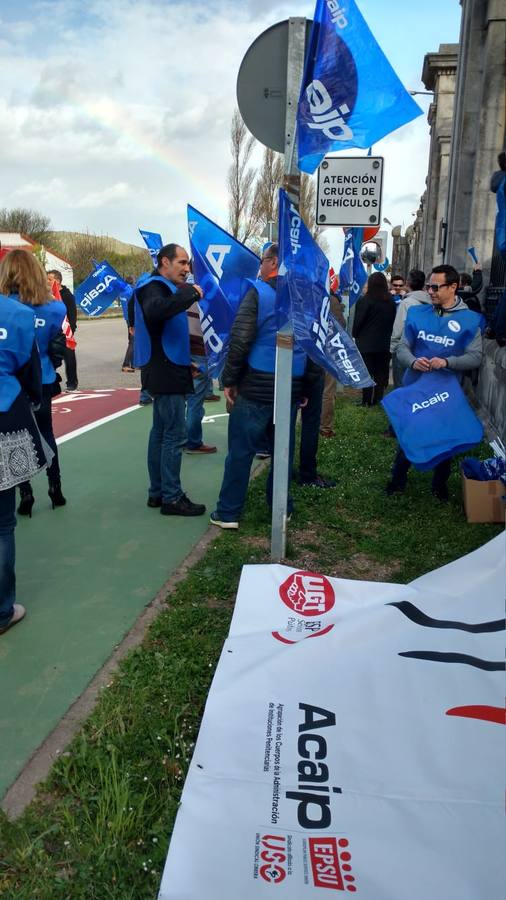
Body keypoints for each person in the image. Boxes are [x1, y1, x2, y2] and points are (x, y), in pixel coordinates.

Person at [210, 244, 320, 529]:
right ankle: (281, 508)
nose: (259, 266)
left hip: (255, 385)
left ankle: (228, 512)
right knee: (282, 451)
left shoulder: (258, 293)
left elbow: (241, 339)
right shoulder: (305, 299)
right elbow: (312, 349)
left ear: (272, 263)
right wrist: (306, 388)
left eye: (262, 261)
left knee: (241, 451)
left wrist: (230, 380)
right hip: (291, 386)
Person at [386, 264, 483, 501]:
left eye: (436, 287)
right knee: (409, 433)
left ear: (453, 287)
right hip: (415, 387)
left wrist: (447, 362)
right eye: (429, 286)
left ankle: (439, 487)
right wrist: (412, 361)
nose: (430, 291)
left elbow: (476, 356)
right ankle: (397, 481)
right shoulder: (417, 313)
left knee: (444, 437)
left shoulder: (470, 320)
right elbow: (402, 347)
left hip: (446, 392)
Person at [134, 243, 206, 516]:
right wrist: (189, 294)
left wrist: (183, 361)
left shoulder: (160, 287)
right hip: (165, 371)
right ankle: (172, 497)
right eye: (182, 263)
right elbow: (155, 311)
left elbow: (159, 329)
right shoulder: (155, 286)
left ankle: (158, 492)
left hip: (167, 365)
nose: (187, 269)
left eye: (188, 264)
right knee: (174, 436)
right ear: (165, 262)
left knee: (161, 433)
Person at [2, 252, 67, 514]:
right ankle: (55, 488)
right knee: (47, 433)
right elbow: (57, 344)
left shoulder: (7, 308)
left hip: (13, 384)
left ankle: (25, 493)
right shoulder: (54, 308)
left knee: (17, 438)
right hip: (44, 378)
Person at [0, 268, 46, 634]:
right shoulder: (20, 315)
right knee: (2, 525)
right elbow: (30, 373)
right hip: (5, 414)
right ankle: (2, 610)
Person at [352, 272, 397, 406]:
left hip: (366, 343)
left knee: (367, 374)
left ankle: (366, 401)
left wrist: (356, 334)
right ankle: (378, 400)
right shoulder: (391, 301)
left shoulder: (365, 300)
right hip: (384, 343)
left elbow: (359, 321)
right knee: (380, 374)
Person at [185, 297, 217, 454]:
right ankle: (193, 441)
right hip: (200, 352)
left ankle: (185, 437)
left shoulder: (181, 296)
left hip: (185, 352)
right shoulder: (206, 299)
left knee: (189, 399)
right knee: (195, 402)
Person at [390, 269, 428, 387]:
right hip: (424, 347)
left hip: (405, 347)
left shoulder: (407, 303)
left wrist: (393, 347)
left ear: (407, 283)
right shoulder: (431, 301)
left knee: (401, 383)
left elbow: (398, 328)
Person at [47, 269, 78, 391]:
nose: (47, 281)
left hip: (65, 332)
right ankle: (50, 381)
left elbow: (72, 316)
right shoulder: (46, 295)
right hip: (50, 331)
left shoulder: (67, 296)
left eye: (49, 279)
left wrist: (70, 332)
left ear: (58, 281)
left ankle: (72, 382)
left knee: (69, 359)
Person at [120, 275, 135, 372]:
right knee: (133, 341)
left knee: (132, 340)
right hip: (132, 318)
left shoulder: (122, 292)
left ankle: (133, 363)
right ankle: (126, 364)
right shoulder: (131, 291)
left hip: (127, 318)